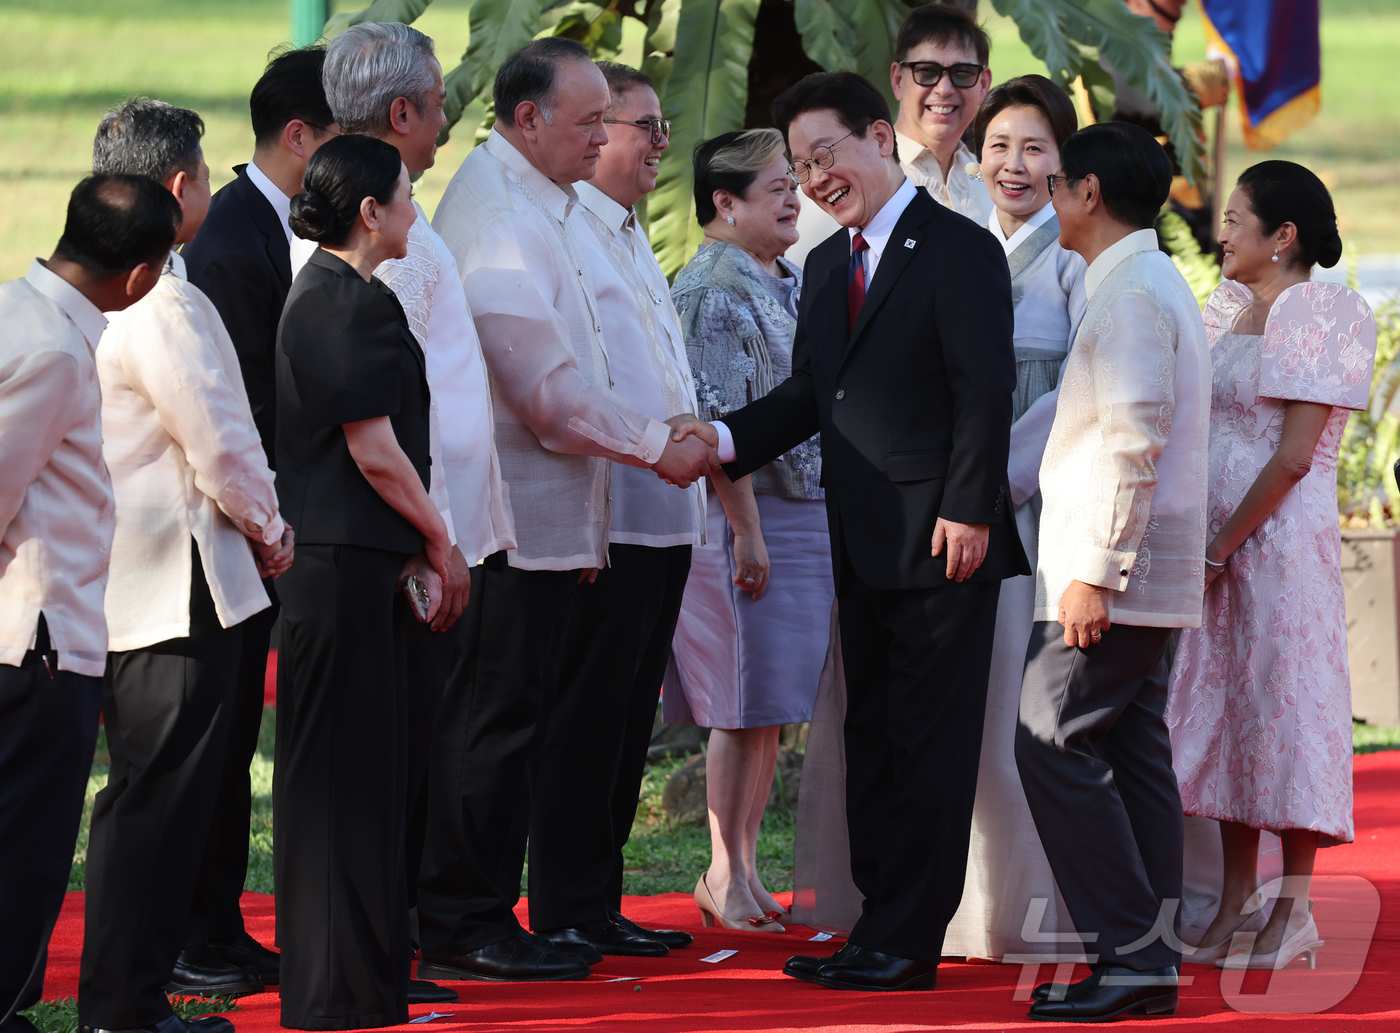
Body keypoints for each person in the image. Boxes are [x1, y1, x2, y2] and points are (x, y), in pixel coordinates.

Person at [672, 69, 1024, 992]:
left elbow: (982, 390)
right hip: (860, 544)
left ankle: (912, 938)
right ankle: (878, 924)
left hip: (947, 541)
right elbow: (806, 397)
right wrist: (721, 439)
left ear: (879, 135)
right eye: (797, 165)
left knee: (929, 745)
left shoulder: (957, 248)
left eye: (824, 156)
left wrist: (968, 506)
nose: (814, 179)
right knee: (871, 734)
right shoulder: (829, 264)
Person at [418, 37, 718, 984]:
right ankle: (465, 914)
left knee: (523, 719)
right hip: (510, 517)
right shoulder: (500, 213)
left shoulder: (542, 202)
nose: (602, 140)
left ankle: (512, 908)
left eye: (607, 122)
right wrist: (653, 443)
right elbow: (545, 393)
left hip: (560, 515)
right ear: (527, 118)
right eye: (589, 121)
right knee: (494, 723)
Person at [78, 99, 294, 1033]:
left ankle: (128, 997)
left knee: (153, 798)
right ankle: (125, 1005)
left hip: (148, 582)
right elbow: (222, 440)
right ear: (177, 187)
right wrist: (274, 527)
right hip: (177, 585)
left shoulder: (124, 287)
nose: (210, 188)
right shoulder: (160, 297)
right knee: (158, 802)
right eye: (205, 175)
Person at [316, 23, 511, 987]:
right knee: (394, 760)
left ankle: (393, 942)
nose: (446, 121)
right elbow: (377, 421)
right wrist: (427, 541)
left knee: (417, 753)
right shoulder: (372, 237)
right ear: (400, 114)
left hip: (443, 528)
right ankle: (382, 946)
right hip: (406, 541)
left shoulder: (403, 214)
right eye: (436, 105)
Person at [1013, 122, 1209, 1022]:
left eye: (1055, 184)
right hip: (1142, 566)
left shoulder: (1131, 288)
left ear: (1088, 193)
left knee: (1048, 737)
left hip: (1113, 570)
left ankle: (1130, 954)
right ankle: (1147, 959)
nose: (1046, 198)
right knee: (1130, 753)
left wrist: (1092, 571)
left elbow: (1132, 438)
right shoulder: (1142, 276)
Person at [1166, 161, 1373, 971]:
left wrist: (1222, 547)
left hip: (1280, 546)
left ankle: (1295, 910)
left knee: (1283, 709)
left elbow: (1292, 458)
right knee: (1225, 709)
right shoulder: (1224, 307)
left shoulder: (1322, 312)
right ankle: (1232, 899)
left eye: (1235, 219)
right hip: (1212, 548)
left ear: (1282, 236)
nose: (1220, 234)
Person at [525, 61, 701, 958]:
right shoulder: (569, 232)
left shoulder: (631, 233)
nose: (653, 144)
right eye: (639, 125)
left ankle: (596, 896)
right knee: (588, 717)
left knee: (628, 721)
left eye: (658, 127)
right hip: (617, 511)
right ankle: (562, 902)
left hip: (669, 514)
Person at [272, 134, 447, 1030]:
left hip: (351, 566)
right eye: (408, 194)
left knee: (361, 777)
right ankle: (337, 991)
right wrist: (440, 539)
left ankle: (359, 984)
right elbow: (374, 450)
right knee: (341, 781)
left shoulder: (346, 296)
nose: (416, 208)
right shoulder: (341, 300)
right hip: (338, 568)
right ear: (371, 211)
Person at [0, 175, 177, 1033]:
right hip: (33, 639)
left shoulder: (18, 310)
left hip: (36, 634)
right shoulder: (54, 349)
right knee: (23, 853)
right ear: (142, 278)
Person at [179, 51, 335, 987]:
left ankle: (219, 924)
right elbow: (238, 411)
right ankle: (197, 934)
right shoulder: (235, 239)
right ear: (300, 136)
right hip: (227, 534)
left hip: (270, 525)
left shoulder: (281, 226)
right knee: (216, 739)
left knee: (237, 742)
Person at [665, 127, 833, 933]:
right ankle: (722, 869)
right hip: (747, 517)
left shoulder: (784, 279)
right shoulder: (711, 290)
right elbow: (712, 429)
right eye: (776, 187)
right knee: (736, 700)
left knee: (766, 703)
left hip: (799, 512)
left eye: (793, 183)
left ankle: (746, 868)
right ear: (724, 204)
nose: (794, 197)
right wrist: (749, 531)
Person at [938, 74, 1087, 959]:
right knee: (975, 713)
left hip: (1033, 511)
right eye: (998, 147)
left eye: (1034, 149)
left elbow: (1078, 388)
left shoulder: (1073, 264)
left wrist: (998, 478)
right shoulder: (954, 247)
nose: (1014, 165)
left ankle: (1045, 915)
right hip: (959, 511)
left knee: (1030, 715)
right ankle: (975, 910)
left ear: (1066, 166)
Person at [788, 4, 993, 265]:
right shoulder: (848, 182)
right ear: (897, 79)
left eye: (962, 73)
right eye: (926, 72)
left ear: (983, 84)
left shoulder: (991, 182)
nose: (943, 89)